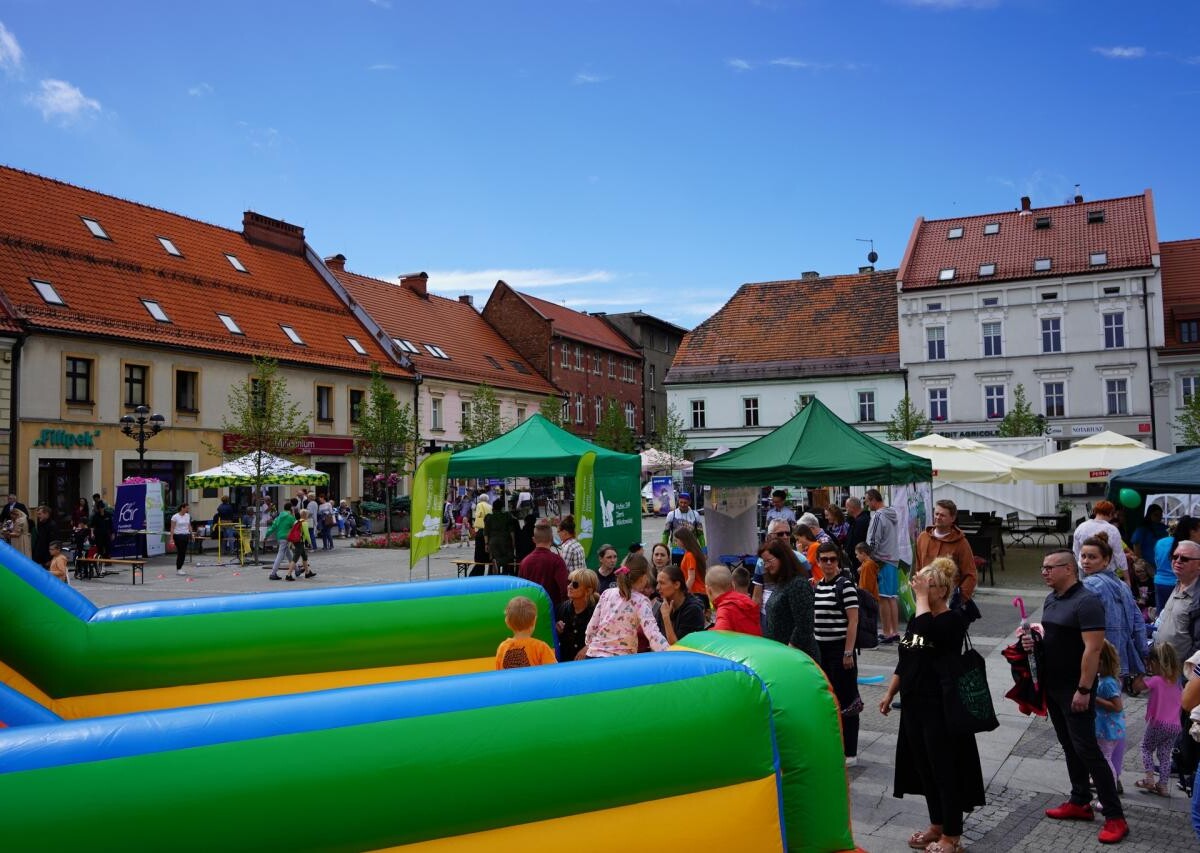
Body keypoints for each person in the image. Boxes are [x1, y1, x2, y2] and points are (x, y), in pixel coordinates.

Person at [1020, 549, 1128, 844]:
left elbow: (1093, 650)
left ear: (1068, 569)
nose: (1043, 572)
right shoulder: (1052, 598)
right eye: (1042, 568)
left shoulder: (1087, 602)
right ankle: (1079, 801)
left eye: (1049, 568)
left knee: (1088, 750)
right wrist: (1034, 641)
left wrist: (1084, 689)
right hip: (1053, 687)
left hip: (1075, 688)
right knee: (1070, 746)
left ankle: (1116, 817)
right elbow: (1055, 639)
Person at [878, 558, 985, 853]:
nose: (920, 588)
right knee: (924, 767)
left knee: (944, 769)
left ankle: (952, 835)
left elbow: (925, 633)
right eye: (920, 584)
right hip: (914, 701)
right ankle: (936, 825)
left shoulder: (951, 620)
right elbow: (908, 656)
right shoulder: (918, 617)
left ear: (943, 590)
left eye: (928, 585)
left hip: (941, 704)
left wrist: (921, 598)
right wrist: (890, 692)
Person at [813, 540, 862, 764]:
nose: (829, 563)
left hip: (841, 649)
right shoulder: (818, 586)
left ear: (838, 561)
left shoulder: (846, 585)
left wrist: (848, 652)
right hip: (821, 650)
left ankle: (850, 751)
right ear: (818, 561)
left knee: (848, 700)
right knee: (828, 700)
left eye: (833, 559)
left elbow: (853, 622)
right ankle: (834, 745)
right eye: (825, 560)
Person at [1078, 533, 1147, 681]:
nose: (1085, 561)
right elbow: (1138, 623)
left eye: (1092, 557)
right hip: (1120, 657)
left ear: (1106, 561)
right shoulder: (1122, 585)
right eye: (1083, 556)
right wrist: (1143, 654)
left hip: (1099, 658)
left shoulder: (1089, 585)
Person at [583, 557, 669, 657]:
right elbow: (653, 634)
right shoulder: (641, 601)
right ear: (644, 577)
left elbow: (592, 627)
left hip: (593, 655)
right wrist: (669, 653)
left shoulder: (607, 593)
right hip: (620, 661)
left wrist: (591, 644)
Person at [1132, 643, 1183, 797]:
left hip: (1158, 723)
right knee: (1165, 755)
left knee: (1146, 748)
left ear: (1155, 663)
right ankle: (1163, 786)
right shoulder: (1177, 682)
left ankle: (1149, 778)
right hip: (1175, 726)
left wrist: (1140, 673)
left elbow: (1137, 687)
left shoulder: (1156, 680)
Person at [758, 538, 819, 661]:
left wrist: (790, 651)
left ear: (783, 558)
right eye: (764, 562)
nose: (767, 566)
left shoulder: (798, 584)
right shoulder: (782, 583)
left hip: (797, 657)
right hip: (783, 654)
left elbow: (804, 625)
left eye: (769, 561)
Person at [913, 499, 977, 604]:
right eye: (936, 514)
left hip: (948, 601)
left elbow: (971, 575)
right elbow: (918, 568)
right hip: (924, 597)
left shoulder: (961, 543)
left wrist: (959, 598)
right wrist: (919, 591)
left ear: (952, 518)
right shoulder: (923, 538)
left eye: (942, 515)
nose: (938, 517)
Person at [865, 488, 904, 644]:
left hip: (882, 559)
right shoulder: (892, 513)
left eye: (867, 501)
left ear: (874, 499)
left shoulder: (878, 516)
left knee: (884, 598)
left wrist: (868, 556)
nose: (867, 504)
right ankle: (894, 631)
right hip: (893, 558)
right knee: (892, 598)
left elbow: (874, 539)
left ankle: (887, 632)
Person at [1155, 536, 1200, 665]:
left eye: (1184, 559)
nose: (1178, 561)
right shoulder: (1179, 584)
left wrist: (1185, 672)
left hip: (1181, 673)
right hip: (1164, 667)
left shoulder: (1197, 597)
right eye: (1175, 557)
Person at [1093, 641, 1127, 800]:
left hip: (1108, 729)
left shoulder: (1108, 682)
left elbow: (1117, 706)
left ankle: (1107, 796)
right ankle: (1105, 793)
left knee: (1105, 762)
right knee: (1103, 760)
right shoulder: (1105, 679)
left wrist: (1095, 699)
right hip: (1105, 728)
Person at [1155, 516, 1200, 616]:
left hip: (1160, 582)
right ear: (1192, 531)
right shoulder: (1189, 548)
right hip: (1178, 585)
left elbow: (1157, 561)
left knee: (1162, 615)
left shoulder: (1162, 542)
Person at [495, 596, 556, 669]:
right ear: (534, 621)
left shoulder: (503, 648)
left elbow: (500, 675)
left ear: (507, 622)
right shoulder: (541, 648)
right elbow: (553, 673)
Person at [517, 521, 568, 608]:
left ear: (534, 539)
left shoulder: (524, 562)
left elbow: (520, 590)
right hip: (552, 611)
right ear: (552, 539)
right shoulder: (557, 561)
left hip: (530, 611)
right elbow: (564, 589)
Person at [1074, 500, 1128, 581]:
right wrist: (1127, 579)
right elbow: (1119, 556)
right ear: (1111, 514)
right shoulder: (1112, 530)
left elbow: (1076, 552)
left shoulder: (1081, 527)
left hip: (1085, 570)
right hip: (1105, 570)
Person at [654, 565, 706, 644]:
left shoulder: (693, 610)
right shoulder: (664, 606)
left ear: (677, 585)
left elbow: (677, 648)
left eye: (662, 583)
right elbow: (655, 640)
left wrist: (666, 618)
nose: (657, 587)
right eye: (658, 583)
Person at [555, 568, 599, 662]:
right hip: (565, 662)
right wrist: (556, 631)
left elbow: (606, 636)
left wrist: (588, 647)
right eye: (569, 582)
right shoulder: (561, 608)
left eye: (575, 584)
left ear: (588, 591)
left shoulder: (598, 610)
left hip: (590, 663)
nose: (569, 586)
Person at [706, 565, 761, 635]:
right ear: (733, 585)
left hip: (741, 645)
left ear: (708, 590)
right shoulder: (746, 600)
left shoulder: (725, 608)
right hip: (755, 643)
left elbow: (719, 636)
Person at [673, 525, 707, 604]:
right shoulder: (692, 554)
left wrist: (683, 594)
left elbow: (691, 578)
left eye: (676, 540)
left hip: (695, 593)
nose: (676, 543)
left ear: (682, 540)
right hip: (700, 592)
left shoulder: (689, 555)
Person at [265, 504, 298, 581]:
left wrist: (266, 535)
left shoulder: (278, 517)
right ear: (290, 509)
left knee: (289, 554)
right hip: (286, 537)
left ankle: (297, 570)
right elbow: (295, 526)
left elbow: (273, 527)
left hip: (279, 537)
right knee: (280, 555)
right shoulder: (290, 517)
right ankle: (273, 573)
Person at [844, 496, 871, 568]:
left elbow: (859, 541)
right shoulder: (856, 520)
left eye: (847, 507)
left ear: (852, 508)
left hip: (859, 561)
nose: (846, 510)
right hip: (857, 559)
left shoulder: (861, 522)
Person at [170, 503, 193, 577]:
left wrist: (192, 534)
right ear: (182, 508)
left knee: (183, 552)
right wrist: (171, 538)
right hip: (178, 536)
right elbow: (172, 528)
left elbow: (189, 525)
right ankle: (179, 568)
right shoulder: (175, 517)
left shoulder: (187, 515)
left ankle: (180, 568)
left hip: (186, 535)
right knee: (181, 552)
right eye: (186, 508)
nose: (187, 509)